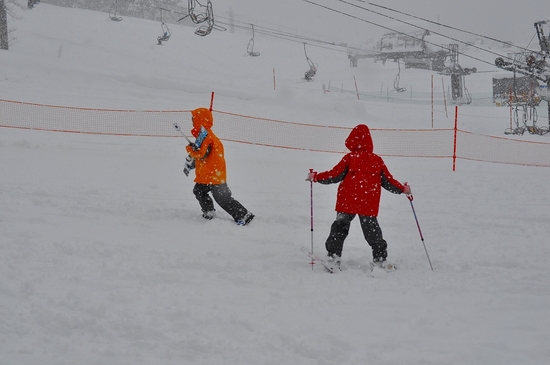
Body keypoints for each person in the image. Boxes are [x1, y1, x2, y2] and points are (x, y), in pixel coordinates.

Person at [306, 124, 411, 269]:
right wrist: (403, 189)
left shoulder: (350, 158)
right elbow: (388, 181)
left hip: (347, 200)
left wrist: (316, 177)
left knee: (339, 228)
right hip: (368, 202)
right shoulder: (377, 160)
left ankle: (333, 258)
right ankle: (380, 259)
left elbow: (334, 175)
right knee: (372, 232)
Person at [185, 107, 254, 226]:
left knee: (223, 198)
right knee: (199, 191)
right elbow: (202, 156)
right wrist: (193, 162)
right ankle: (209, 212)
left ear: (200, 120)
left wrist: (189, 149)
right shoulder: (203, 135)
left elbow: (201, 154)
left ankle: (243, 215)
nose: (191, 120)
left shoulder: (207, 136)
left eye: (194, 118)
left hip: (214, 175)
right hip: (208, 174)